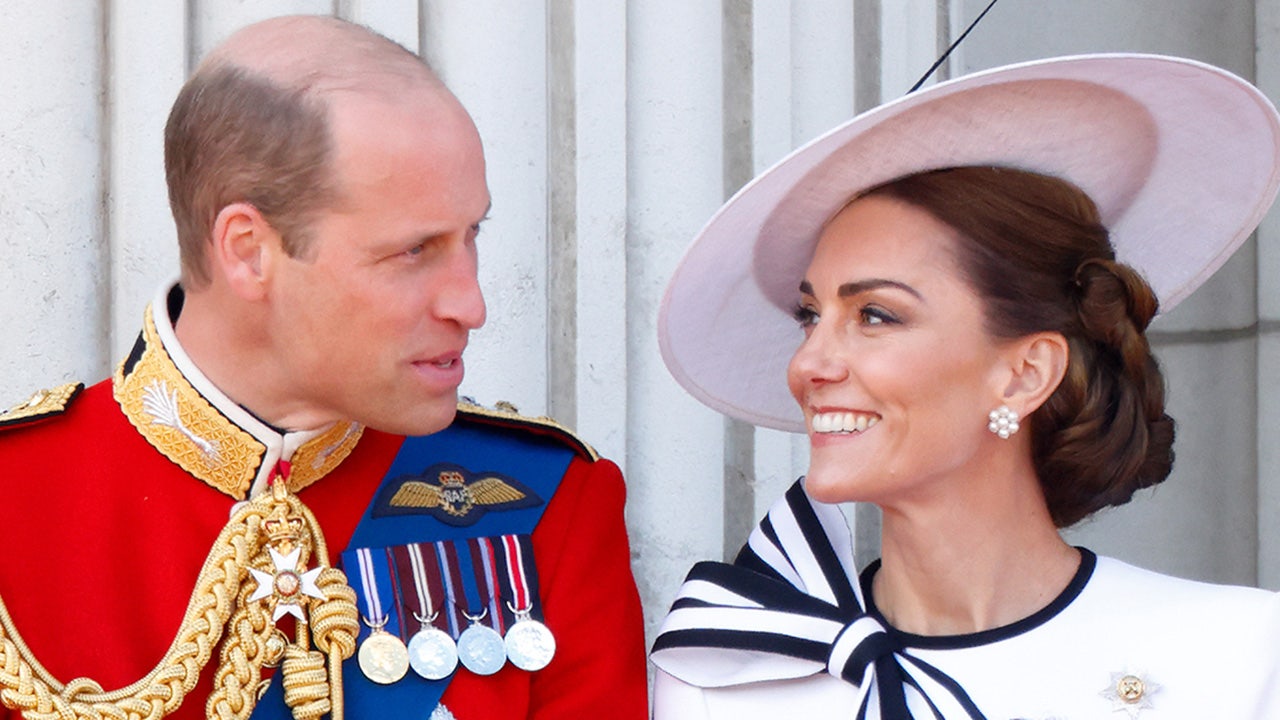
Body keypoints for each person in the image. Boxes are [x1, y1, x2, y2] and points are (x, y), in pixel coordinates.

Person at [0, 15, 646, 720]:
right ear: (248, 250)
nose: (473, 303)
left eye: (472, 236)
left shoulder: (546, 501)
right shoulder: (17, 499)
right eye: (412, 252)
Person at [649, 54, 1280, 718]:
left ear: (1025, 373)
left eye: (875, 315)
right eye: (811, 316)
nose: (809, 364)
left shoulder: (1239, 658)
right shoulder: (725, 680)